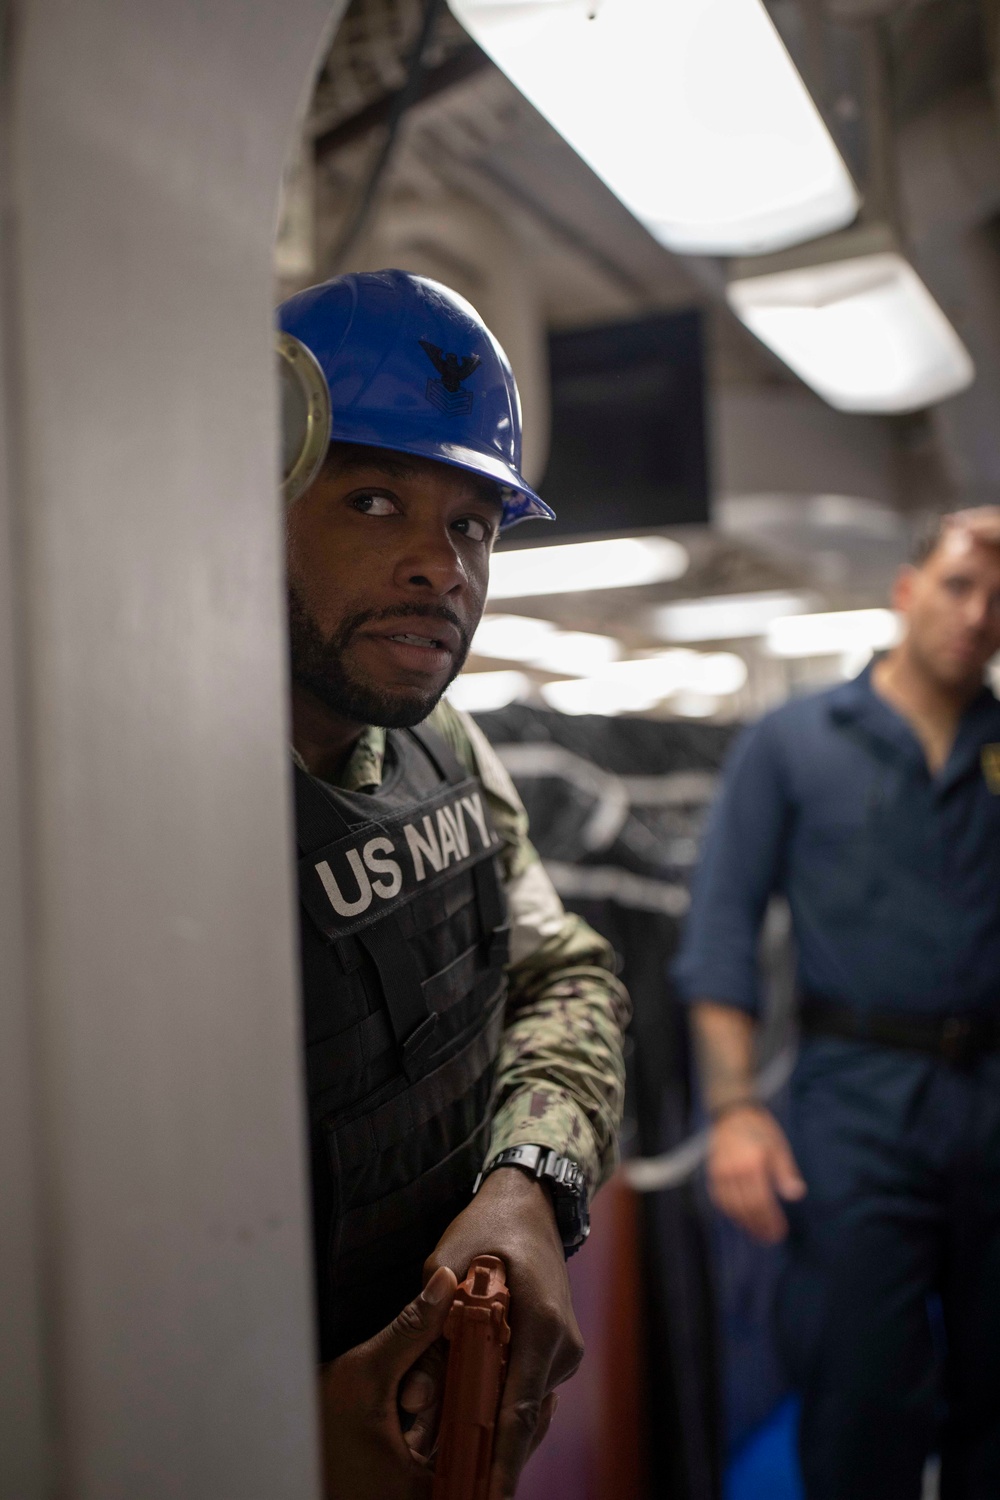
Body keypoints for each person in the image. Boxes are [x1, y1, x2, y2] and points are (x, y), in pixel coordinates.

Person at [276, 269, 629, 1500]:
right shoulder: (109, 822)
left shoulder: (450, 752)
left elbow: (563, 971)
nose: (441, 566)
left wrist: (531, 1182)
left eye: (472, 525)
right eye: (375, 501)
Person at [674, 508, 1000, 1500]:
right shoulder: (793, 741)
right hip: (851, 1104)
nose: (978, 614)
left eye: (999, 600)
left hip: (992, 1099)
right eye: (957, 585)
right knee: (863, 1400)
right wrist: (733, 1113)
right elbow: (722, 928)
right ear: (905, 590)